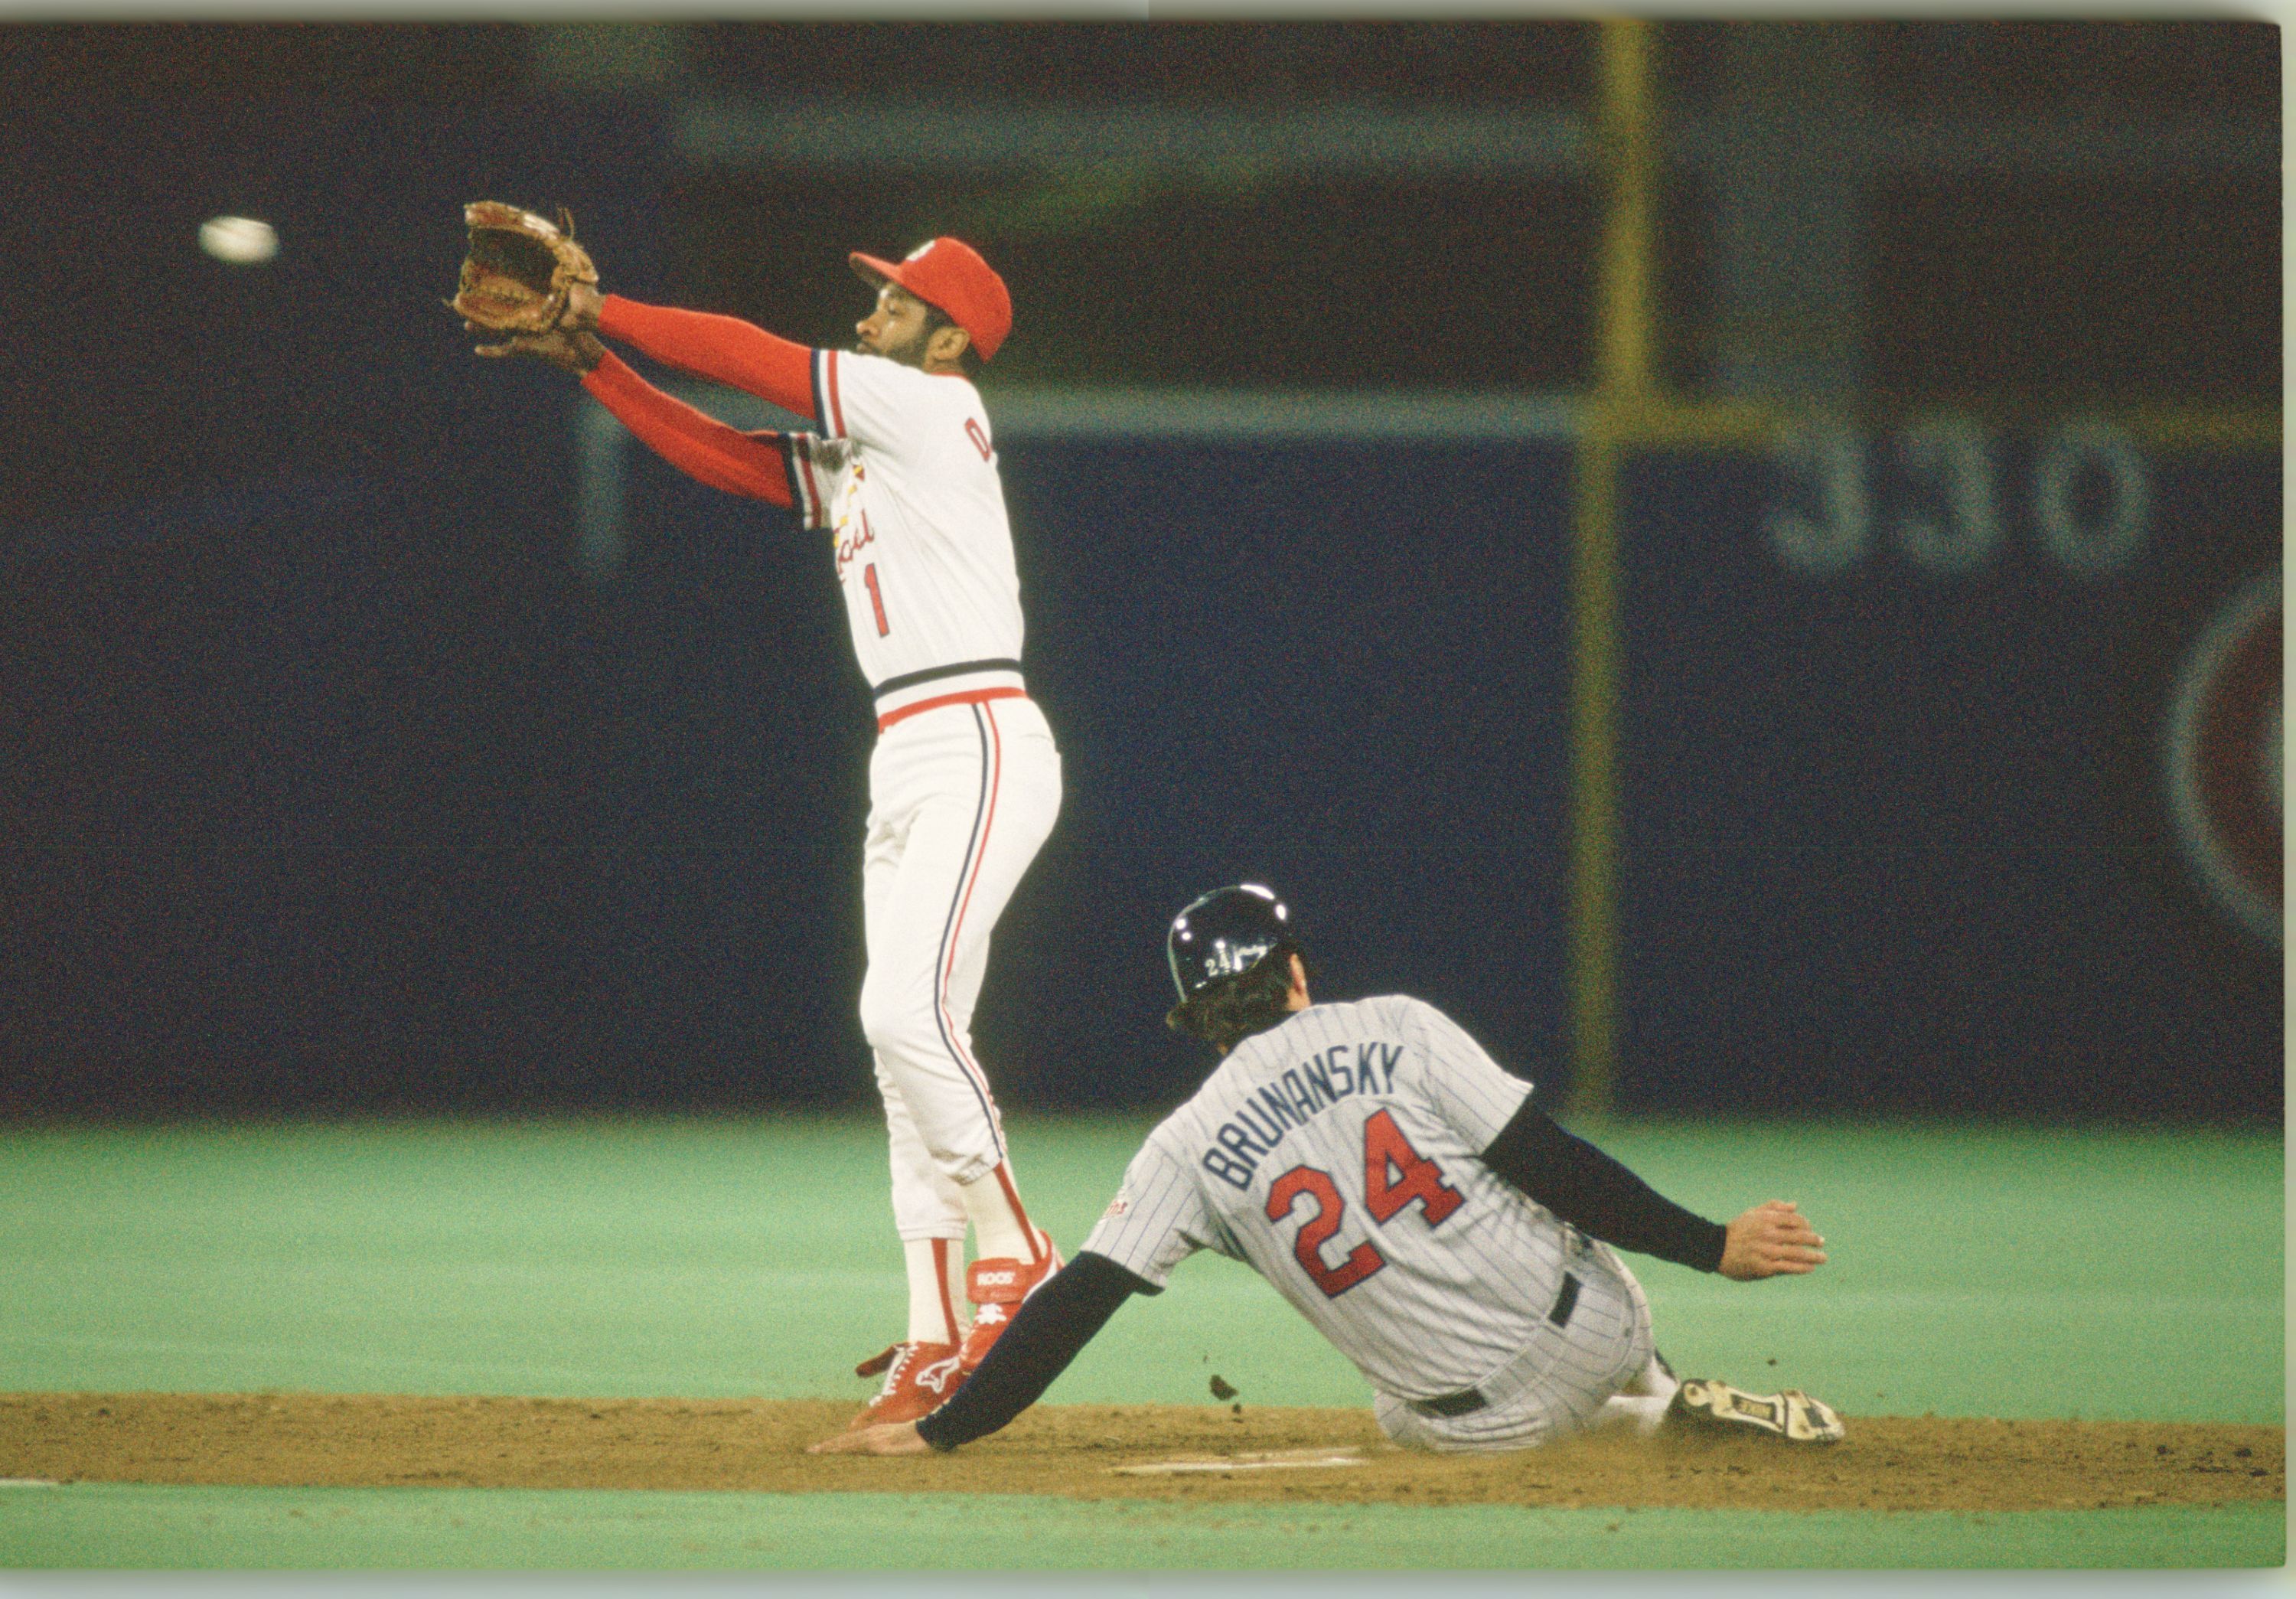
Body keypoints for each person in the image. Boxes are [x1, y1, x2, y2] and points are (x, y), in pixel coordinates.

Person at [468, 237, 1062, 1428]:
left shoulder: (930, 404)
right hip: (909, 748)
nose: (877, 308)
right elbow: (731, 458)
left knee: (904, 1012)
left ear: (948, 339)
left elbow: (753, 361)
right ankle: (938, 1331)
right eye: (882, 292)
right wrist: (597, 364)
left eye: (901, 301)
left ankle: (1018, 1243)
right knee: (904, 1052)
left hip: (979, 736)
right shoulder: (876, 445)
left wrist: (612, 306)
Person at [812, 883, 1844, 1458]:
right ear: (1296, 971)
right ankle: (1659, 1400)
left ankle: (1647, 1422)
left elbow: (1080, 1296)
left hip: (1473, 1433)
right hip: (1597, 1329)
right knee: (1550, 1231)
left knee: (1397, 1412)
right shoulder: (1397, 1023)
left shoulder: (1184, 1145)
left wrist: (943, 1430)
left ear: (1197, 1021)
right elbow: (1554, 1164)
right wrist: (1714, 1245)